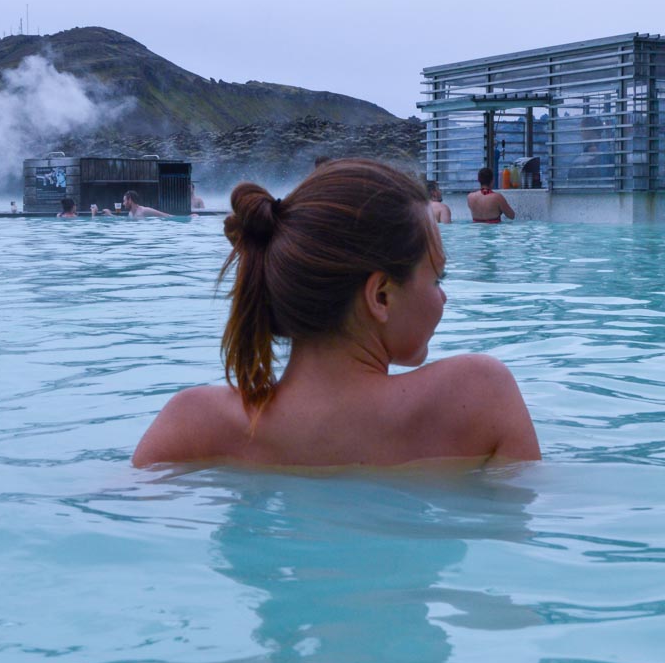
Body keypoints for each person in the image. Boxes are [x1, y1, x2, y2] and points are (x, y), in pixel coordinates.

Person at [132, 158, 540, 468]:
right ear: (381, 296)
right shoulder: (477, 396)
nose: (443, 298)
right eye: (436, 279)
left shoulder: (193, 424)